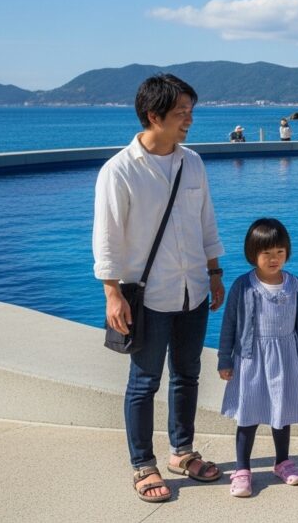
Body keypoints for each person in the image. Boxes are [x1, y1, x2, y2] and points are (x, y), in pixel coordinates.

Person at [93, 74, 225, 502]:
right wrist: (112, 293)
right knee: (145, 380)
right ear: (154, 115)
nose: (189, 119)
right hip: (147, 295)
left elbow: (206, 221)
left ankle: (182, 452)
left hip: (194, 289)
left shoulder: (193, 162)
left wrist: (215, 272)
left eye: (191, 111)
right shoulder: (120, 170)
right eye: (181, 112)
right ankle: (143, 464)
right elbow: (107, 238)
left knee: (187, 374)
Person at [218, 218, 298, 498]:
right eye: (266, 253)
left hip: (286, 357)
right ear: (253, 254)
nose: (274, 259)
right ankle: (242, 469)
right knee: (247, 414)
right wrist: (225, 359)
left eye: (280, 252)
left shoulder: (295, 285)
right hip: (251, 359)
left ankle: (282, 461)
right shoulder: (243, 286)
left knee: (281, 413)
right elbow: (229, 324)